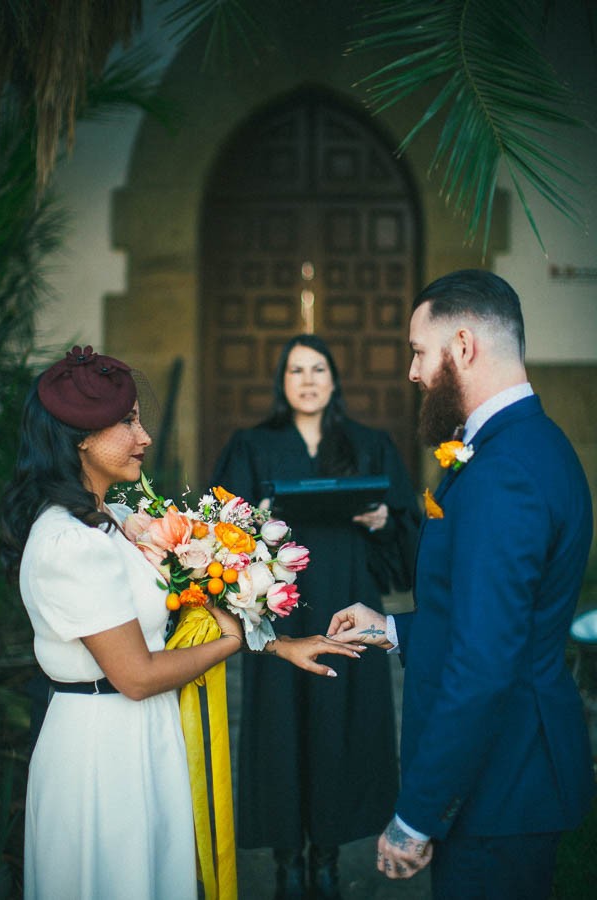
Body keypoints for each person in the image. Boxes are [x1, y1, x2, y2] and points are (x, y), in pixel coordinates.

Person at [0, 345, 362, 900]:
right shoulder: (71, 543)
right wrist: (232, 643)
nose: (144, 437)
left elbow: (199, 595)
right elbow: (138, 675)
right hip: (102, 749)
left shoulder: (117, 520)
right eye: (127, 423)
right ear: (80, 438)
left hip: (144, 732)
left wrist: (276, 643)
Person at [327, 270, 595, 900]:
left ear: (465, 345)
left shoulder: (506, 472)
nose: (415, 372)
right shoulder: (527, 444)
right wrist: (391, 628)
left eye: (420, 351)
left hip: (503, 785)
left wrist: (418, 814)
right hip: (511, 775)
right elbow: (497, 622)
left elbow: (484, 664)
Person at [212, 333, 421, 899]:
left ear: (334, 379)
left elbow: (406, 526)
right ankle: (287, 863)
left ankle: (326, 858)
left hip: (346, 603)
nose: (307, 379)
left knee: (339, 723)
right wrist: (249, 523)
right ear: (282, 382)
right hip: (276, 610)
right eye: (296, 370)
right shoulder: (252, 445)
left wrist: (383, 521)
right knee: (279, 728)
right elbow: (218, 530)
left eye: (318, 369)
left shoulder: (369, 444)